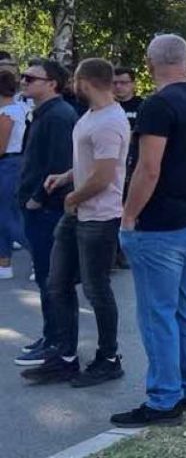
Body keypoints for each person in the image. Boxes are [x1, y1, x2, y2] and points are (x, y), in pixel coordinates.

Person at [111, 33, 186, 428]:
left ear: (150, 61)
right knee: (181, 309)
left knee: (158, 315)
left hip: (160, 227)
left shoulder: (159, 105)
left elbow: (148, 168)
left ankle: (163, 400)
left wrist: (128, 216)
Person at [20, 59, 129, 387]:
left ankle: (108, 358)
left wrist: (73, 196)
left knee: (97, 289)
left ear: (86, 81)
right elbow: (91, 163)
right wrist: (67, 176)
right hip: (79, 211)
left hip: (98, 215)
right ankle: (65, 358)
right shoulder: (91, 116)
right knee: (57, 282)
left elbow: (106, 175)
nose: (73, 86)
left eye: (76, 81)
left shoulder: (110, 121)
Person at [13, 58, 78, 367]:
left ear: (52, 83)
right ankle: (51, 335)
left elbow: (59, 165)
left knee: (53, 279)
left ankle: (58, 342)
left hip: (48, 210)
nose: (23, 81)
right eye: (24, 77)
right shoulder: (44, 113)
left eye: (30, 78)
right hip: (38, 209)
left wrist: (37, 198)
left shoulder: (59, 117)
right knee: (45, 277)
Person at [1, 69, 30, 281]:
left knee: (8, 215)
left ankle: (40, 255)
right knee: (4, 214)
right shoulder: (20, 108)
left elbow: (1, 146)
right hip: (13, 162)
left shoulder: (9, 112)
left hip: (9, 163)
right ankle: (3, 261)